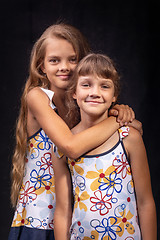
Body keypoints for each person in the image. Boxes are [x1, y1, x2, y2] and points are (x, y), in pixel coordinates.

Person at [8, 23, 140, 240]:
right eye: (54, 60)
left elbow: (134, 129)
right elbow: (70, 147)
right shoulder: (37, 97)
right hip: (39, 219)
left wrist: (120, 113)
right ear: (41, 66)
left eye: (72, 59)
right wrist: (117, 119)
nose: (65, 67)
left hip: (74, 223)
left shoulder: (84, 106)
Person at [53, 53, 157, 240]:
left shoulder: (128, 137)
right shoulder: (63, 146)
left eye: (104, 86)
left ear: (114, 95)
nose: (95, 92)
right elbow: (62, 211)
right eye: (86, 84)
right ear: (74, 92)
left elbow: (145, 202)